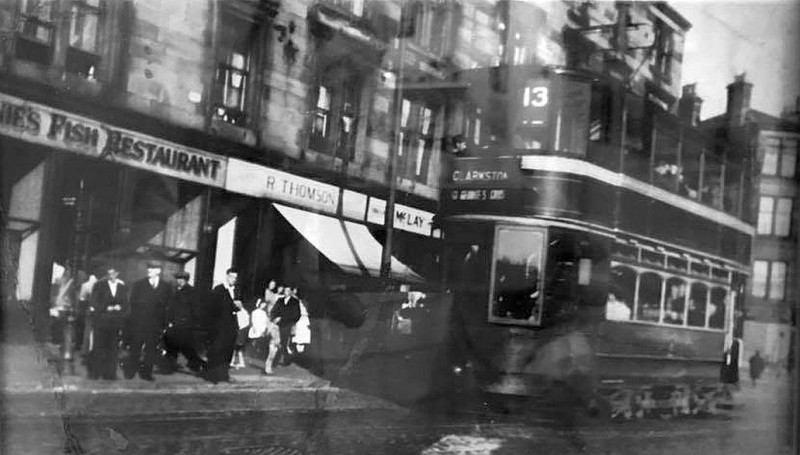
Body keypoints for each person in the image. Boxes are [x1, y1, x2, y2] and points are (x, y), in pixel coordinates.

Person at [124, 262, 171, 381]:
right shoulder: (139, 285)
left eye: (152, 268)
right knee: (135, 348)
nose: (149, 270)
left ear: (158, 271)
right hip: (139, 323)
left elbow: (167, 306)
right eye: (148, 268)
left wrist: (164, 324)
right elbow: (132, 304)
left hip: (155, 326)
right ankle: (130, 371)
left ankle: (146, 373)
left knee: (151, 350)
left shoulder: (166, 286)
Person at [86, 267, 127, 380]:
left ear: (118, 274)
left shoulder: (122, 287)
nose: (112, 275)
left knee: (113, 349)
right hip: (101, 322)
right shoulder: (99, 285)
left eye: (114, 273)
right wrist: (106, 307)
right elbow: (94, 302)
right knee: (98, 347)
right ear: (107, 274)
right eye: (110, 273)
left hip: (115, 324)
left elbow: (126, 304)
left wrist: (120, 308)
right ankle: (95, 373)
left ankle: (110, 374)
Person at [162, 272, 205, 374]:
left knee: (186, 347)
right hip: (175, 323)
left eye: (181, 279)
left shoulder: (191, 292)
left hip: (185, 324)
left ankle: (199, 364)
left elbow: (195, 309)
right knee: (172, 345)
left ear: (186, 280)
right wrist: (169, 321)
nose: (179, 281)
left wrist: (190, 322)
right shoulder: (177, 291)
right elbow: (172, 308)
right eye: (178, 279)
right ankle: (169, 367)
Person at [205, 268, 243, 383]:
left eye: (235, 278)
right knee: (217, 350)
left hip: (231, 326)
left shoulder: (236, 290)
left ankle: (224, 375)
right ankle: (213, 376)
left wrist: (238, 307)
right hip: (220, 327)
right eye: (231, 277)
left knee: (228, 351)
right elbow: (212, 308)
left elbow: (236, 306)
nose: (233, 280)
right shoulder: (219, 290)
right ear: (227, 276)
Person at [270, 285, 301, 366]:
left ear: (290, 292)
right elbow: (274, 310)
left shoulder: (294, 302)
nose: (285, 292)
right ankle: (278, 360)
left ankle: (280, 360)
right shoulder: (280, 300)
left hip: (287, 325)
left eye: (287, 291)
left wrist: (283, 319)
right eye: (285, 290)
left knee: (283, 343)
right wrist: (274, 318)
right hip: (277, 325)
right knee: (276, 342)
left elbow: (296, 315)